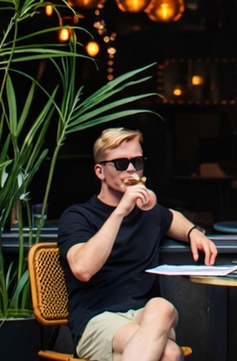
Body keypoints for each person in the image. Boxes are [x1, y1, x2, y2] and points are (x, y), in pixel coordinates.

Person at [57, 127, 218, 361]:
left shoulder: (150, 214)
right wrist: (122, 209)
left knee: (161, 307)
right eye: (121, 164)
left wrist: (194, 232)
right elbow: (83, 269)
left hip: (147, 316)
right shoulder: (78, 216)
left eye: (138, 161)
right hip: (97, 319)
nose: (132, 169)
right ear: (100, 171)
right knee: (170, 353)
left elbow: (174, 218)